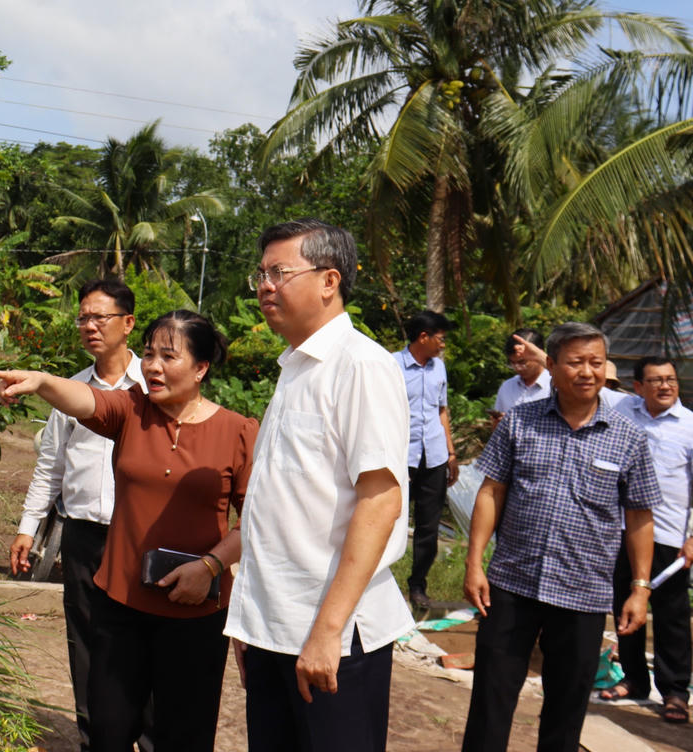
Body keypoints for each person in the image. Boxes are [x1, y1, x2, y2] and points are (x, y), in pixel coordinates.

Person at [0, 309, 258, 752]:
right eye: (149, 354)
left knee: (183, 738)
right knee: (109, 733)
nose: (152, 366)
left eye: (168, 357)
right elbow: (85, 400)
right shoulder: (133, 409)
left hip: (195, 614)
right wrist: (41, 381)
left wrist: (210, 566)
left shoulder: (238, 432)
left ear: (201, 368)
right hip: (120, 606)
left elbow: (255, 518)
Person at [224, 218, 413, 752]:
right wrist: (251, 620)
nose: (265, 286)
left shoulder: (361, 366)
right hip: (275, 627)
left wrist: (328, 631)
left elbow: (381, 502)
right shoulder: (296, 368)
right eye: (260, 274)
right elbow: (280, 507)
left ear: (329, 280)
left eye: (279, 272)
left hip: (333, 634)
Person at [461, 322, 662, 752]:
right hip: (512, 586)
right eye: (575, 362)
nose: (587, 372)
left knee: (566, 713)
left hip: (583, 593)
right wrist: (474, 563)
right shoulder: (520, 422)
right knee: (490, 703)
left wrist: (639, 589)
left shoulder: (627, 438)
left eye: (595, 362)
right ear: (551, 365)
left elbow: (640, 517)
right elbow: (491, 491)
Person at [9, 278, 145, 751]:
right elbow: (51, 464)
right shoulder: (70, 391)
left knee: (143, 646)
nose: (89, 326)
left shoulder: (155, 385)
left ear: (128, 324)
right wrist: (29, 528)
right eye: (83, 317)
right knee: (87, 646)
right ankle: (96, 742)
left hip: (141, 537)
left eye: (99, 317)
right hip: (84, 537)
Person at [598, 357, 693, 724]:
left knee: (671, 615)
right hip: (622, 530)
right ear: (638, 387)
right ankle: (635, 679)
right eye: (655, 381)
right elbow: (583, 378)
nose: (665, 386)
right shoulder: (625, 410)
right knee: (624, 606)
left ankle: (674, 691)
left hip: (670, 534)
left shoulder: (689, 426)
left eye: (670, 380)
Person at [394, 311, 459, 609]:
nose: (442, 345)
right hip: (400, 456)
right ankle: (376, 585)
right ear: (423, 337)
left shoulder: (439, 369)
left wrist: (451, 452)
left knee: (428, 527)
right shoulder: (391, 365)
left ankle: (418, 587)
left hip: (433, 456)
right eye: (440, 339)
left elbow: (441, 411)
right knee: (389, 521)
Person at [491, 328, 551, 423]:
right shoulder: (507, 387)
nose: (517, 368)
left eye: (522, 362)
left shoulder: (557, 385)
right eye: (512, 363)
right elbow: (495, 430)